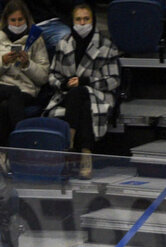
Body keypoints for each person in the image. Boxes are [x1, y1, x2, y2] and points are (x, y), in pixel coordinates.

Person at [43, 3, 119, 179]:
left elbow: (113, 80)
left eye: (86, 19)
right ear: (72, 21)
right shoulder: (64, 44)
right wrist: (63, 85)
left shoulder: (106, 45)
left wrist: (85, 81)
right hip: (67, 95)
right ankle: (86, 153)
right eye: (78, 19)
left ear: (93, 21)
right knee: (81, 103)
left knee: (79, 93)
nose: (82, 23)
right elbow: (53, 75)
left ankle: (69, 145)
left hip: (98, 95)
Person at [0, 1, 51, 149]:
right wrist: (2, 61)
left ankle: (1, 149)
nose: (17, 24)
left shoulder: (36, 40)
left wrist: (27, 65)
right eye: (13, 20)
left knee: (7, 105)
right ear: (6, 20)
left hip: (25, 91)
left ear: (26, 20)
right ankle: (24, 143)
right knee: (12, 93)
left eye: (20, 20)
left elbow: (43, 77)